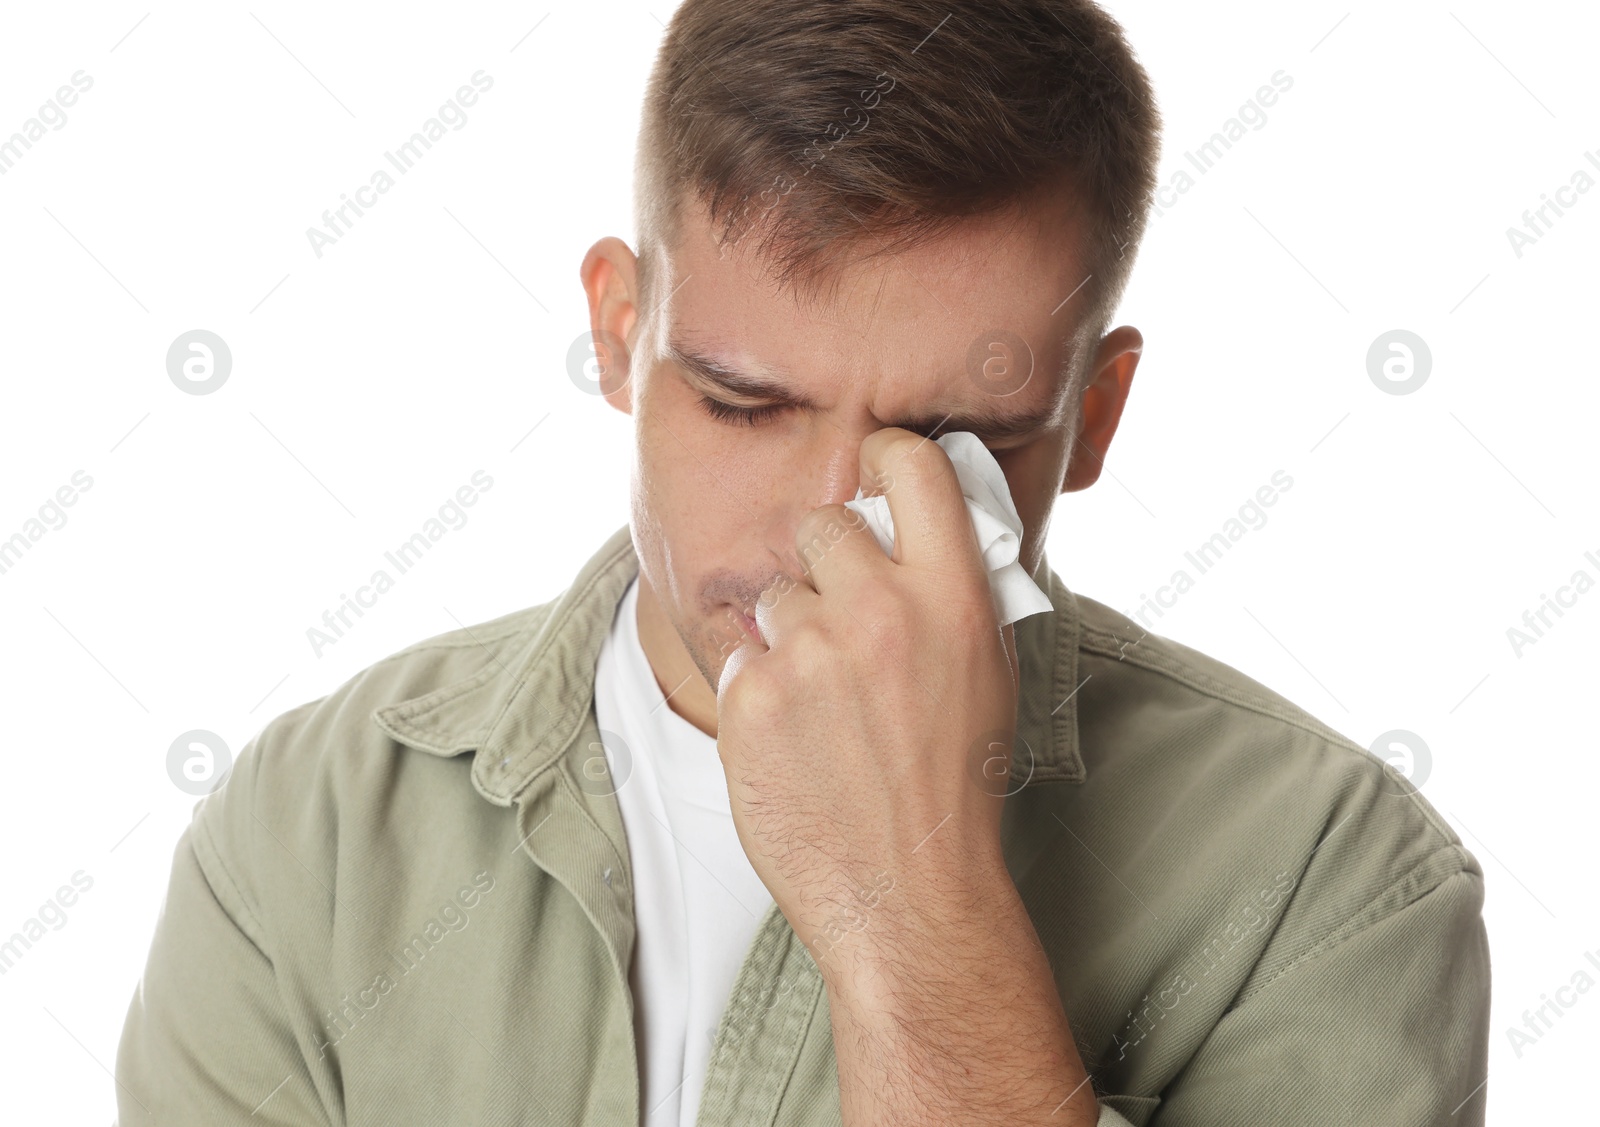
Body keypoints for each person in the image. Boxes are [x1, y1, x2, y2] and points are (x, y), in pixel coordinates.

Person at [115, 1, 1490, 1124]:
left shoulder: (1331, 890)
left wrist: (910, 905)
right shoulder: (313, 835)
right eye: (745, 403)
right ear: (617, 328)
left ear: (1093, 420)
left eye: (956, 439)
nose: (825, 527)